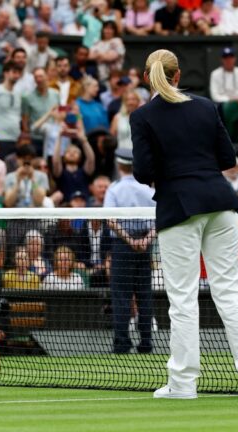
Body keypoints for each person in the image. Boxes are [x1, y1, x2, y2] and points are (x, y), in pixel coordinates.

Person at [131, 49, 238, 399]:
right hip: (220, 202)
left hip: (179, 206)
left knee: (183, 298)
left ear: (148, 78)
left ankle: (183, 383)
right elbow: (227, 158)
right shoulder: (206, 106)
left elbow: (143, 172)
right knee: (230, 292)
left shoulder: (143, 116)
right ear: (177, 76)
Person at [103, 148, 156, 354]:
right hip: (145, 245)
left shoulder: (114, 190)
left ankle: (122, 343)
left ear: (119, 165)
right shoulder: (149, 190)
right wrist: (145, 241)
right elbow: (160, 218)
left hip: (123, 247)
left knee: (121, 296)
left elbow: (111, 221)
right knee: (145, 295)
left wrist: (130, 240)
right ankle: (146, 343)